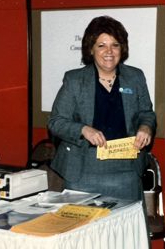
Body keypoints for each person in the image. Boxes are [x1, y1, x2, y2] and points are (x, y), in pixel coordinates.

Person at [48, 15, 156, 202]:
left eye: (115, 45)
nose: (109, 51)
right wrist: (83, 129)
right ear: (90, 49)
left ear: (122, 48)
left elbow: (146, 113)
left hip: (126, 170)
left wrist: (146, 127)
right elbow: (56, 122)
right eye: (101, 45)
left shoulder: (135, 77)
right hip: (83, 171)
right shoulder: (74, 80)